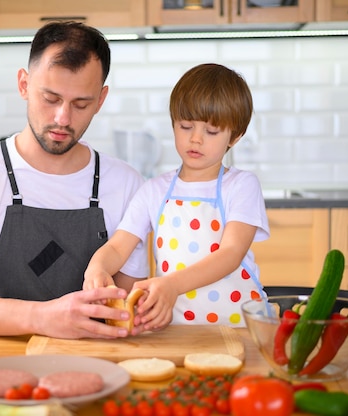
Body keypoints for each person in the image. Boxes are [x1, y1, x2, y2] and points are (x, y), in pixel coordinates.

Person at [0, 21, 148, 339]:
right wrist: (42, 318)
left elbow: (125, 310)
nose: (63, 119)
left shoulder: (126, 185)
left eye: (81, 104)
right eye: (51, 98)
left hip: (90, 362)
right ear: (24, 85)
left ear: (101, 100)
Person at [84, 63, 270, 330]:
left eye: (212, 131)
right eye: (185, 126)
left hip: (241, 326)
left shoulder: (241, 185)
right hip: (178, 328)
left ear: (235, 137)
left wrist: (171, 285)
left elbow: (231, 254)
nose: (195, 139)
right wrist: (97, 268)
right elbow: (118, 246)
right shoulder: (153, 190)